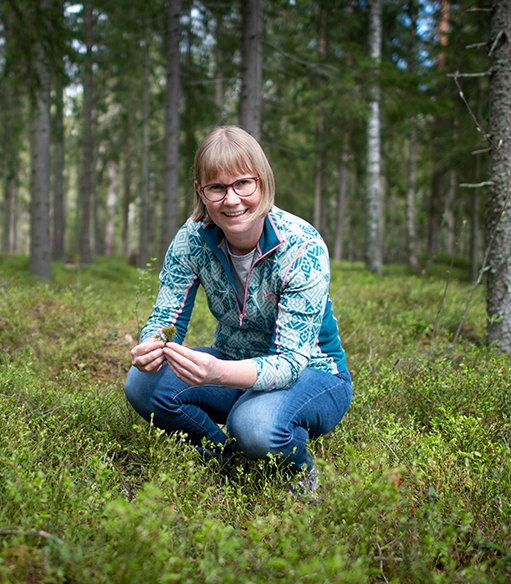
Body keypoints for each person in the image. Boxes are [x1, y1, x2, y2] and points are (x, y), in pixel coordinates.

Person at [124, 126, 351, 482]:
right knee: (141, 386)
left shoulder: (302, 246)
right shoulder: (192, 239)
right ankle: (228, 458)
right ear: (201, 192)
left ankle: (300, 472)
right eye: (216, 187)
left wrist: (216, 373)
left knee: (254, 425)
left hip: (313, 373)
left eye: (242, 184)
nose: (231, 200)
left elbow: (291, 363)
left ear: (262, 182)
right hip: (233, 363)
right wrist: (153, 345)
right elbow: (167, 317)